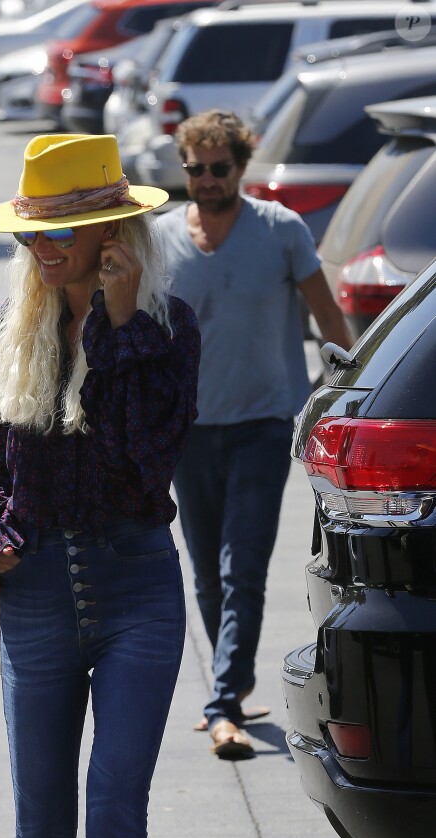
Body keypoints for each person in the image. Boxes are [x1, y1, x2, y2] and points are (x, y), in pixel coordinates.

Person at [0, 133, 200, 838]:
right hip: (33, 597)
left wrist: (119, 326)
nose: (42, 247)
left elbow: (144, 465)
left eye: (59, 229)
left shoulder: (168, 328)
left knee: (115, 817)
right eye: (32, 232)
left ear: (114, 232)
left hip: (136, 589)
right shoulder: (19, 325)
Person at [156, 110, 353, 761]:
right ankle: (230, 689)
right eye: (195, 169)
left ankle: (219, 707)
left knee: (243, 569)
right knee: (209, 577)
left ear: (241, 168)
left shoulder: (280, 231)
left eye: (219, 168)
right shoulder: (160, 239)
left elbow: (327, 316)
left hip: (265, 425)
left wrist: (349, 395)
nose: (207, 181)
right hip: (188, 430)